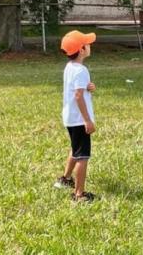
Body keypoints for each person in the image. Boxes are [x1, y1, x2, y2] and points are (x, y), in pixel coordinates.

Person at [54, 30, 98, 202]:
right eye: (87, 44)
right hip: (79, 120)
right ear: (81, 50)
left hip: (70, 117)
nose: (90, 46)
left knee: (75, 149)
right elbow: (78, 96)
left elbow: (78, 89)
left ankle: (65, 179)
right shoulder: (81, 70)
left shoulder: (70, 67)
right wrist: (87, 120)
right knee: (82, 156)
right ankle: (79, 194)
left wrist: (88, 87)